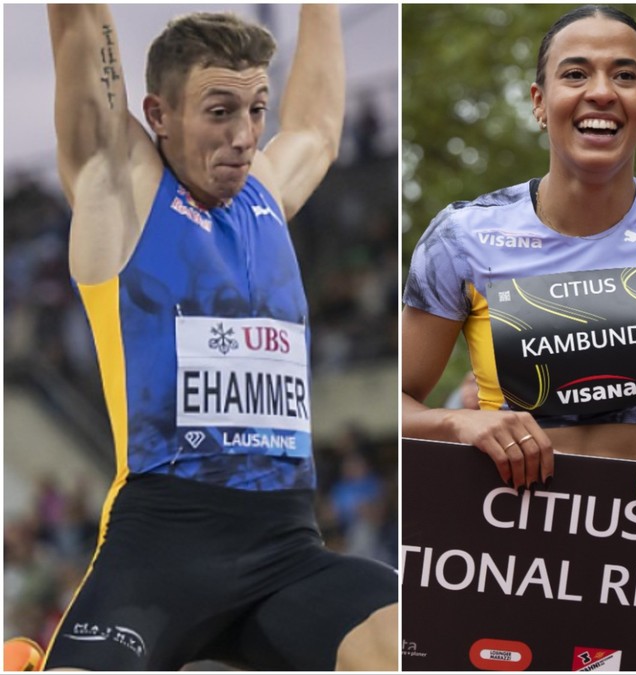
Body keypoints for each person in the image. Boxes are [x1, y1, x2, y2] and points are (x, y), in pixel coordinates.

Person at [40, 5, 397, 670]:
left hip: (287, 555)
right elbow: (79, 26)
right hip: (159, 557)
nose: (244, 135)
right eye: (219, 111)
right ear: (159, 113)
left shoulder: (263, 191)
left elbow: (318, 128)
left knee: (407, 639)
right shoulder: (121, 189)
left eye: (257, 109)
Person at [402, 5, 636, 520]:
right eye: (575, 73)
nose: (602, 92)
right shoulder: (462, 237)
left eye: (625, 75)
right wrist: (458, 424)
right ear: (539, 102)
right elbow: (400, 406)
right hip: (503, 543)